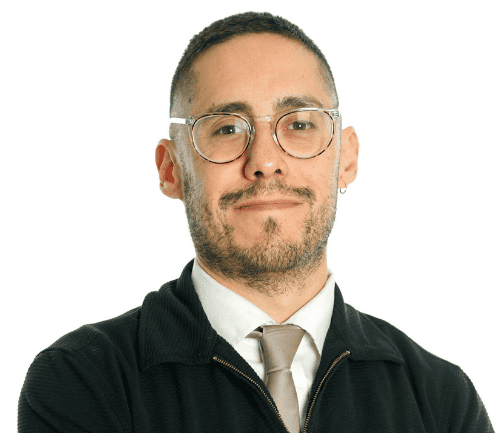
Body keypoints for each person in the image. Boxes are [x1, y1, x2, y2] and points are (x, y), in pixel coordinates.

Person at [18, 11, 493, 433]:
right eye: (227, 128)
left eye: (299, 124)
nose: (265, 161)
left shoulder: (441, 399)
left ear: (346, 158)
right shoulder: (83, 381)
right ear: (171, 169)